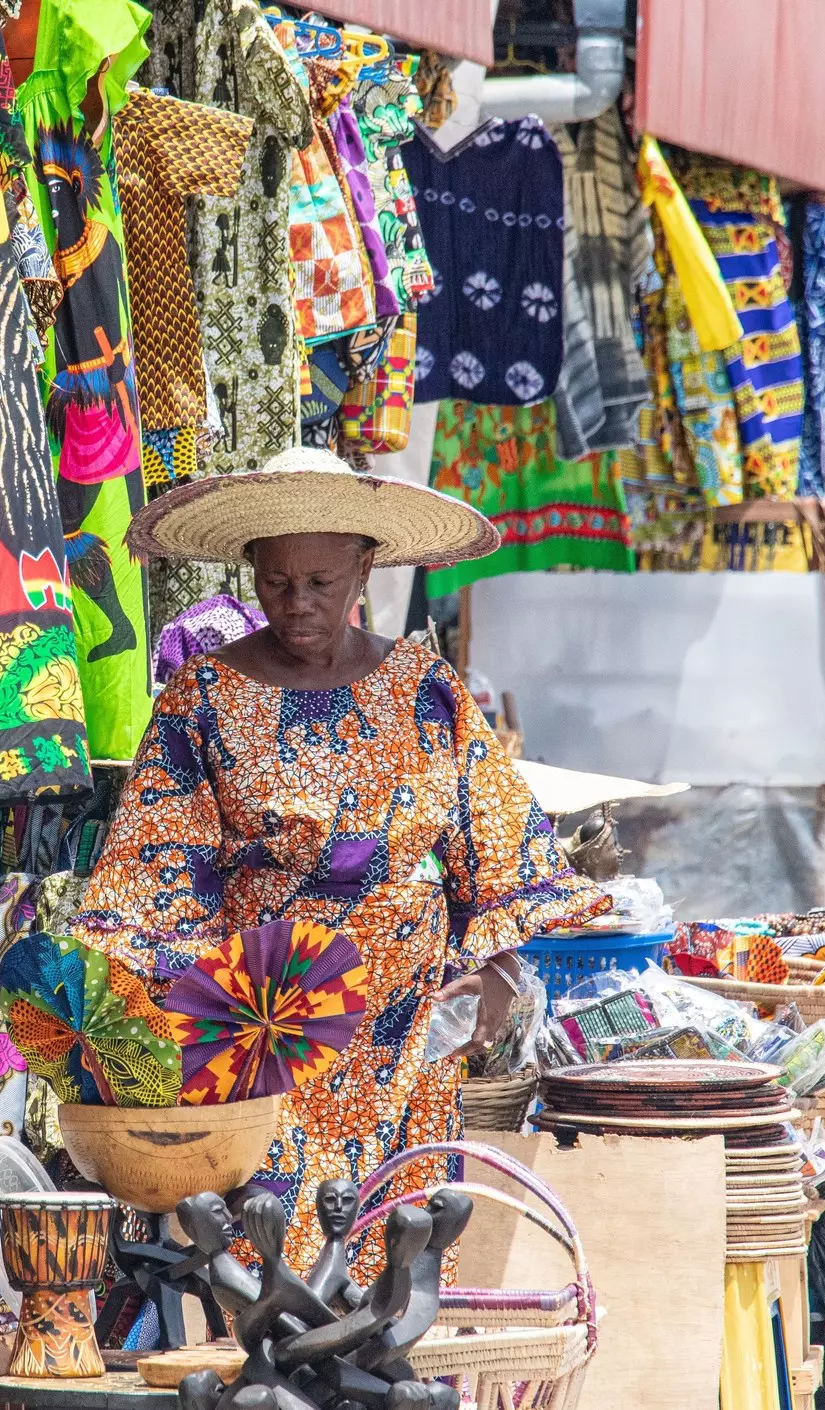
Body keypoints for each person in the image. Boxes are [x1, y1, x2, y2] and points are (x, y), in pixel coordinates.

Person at [70, 447, 607, 1273]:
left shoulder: (427, 688)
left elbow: (497, 845)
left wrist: (498, 967)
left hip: (403, 1029)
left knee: (397, 1256)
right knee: (271, 1260)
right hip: (264, 1028)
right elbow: (155, 873)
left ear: (365, 570)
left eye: (321, 582)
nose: (298, 604)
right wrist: (174, 1007)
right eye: (278, 582)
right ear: (251, 573)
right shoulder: (202, 701)